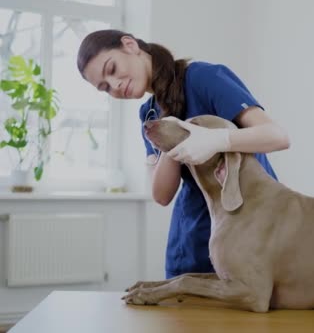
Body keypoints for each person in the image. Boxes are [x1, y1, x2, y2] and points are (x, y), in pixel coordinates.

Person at [77, 30, 290, 278]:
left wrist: (216, 140)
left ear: (130, 44)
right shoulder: (149, 115)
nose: (114, 86)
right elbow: (161, 194)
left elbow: (277, 136)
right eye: (104, 88)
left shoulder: (204, 78)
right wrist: (173, 139)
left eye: (111, 69)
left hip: (250, 227)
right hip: (194, 241)